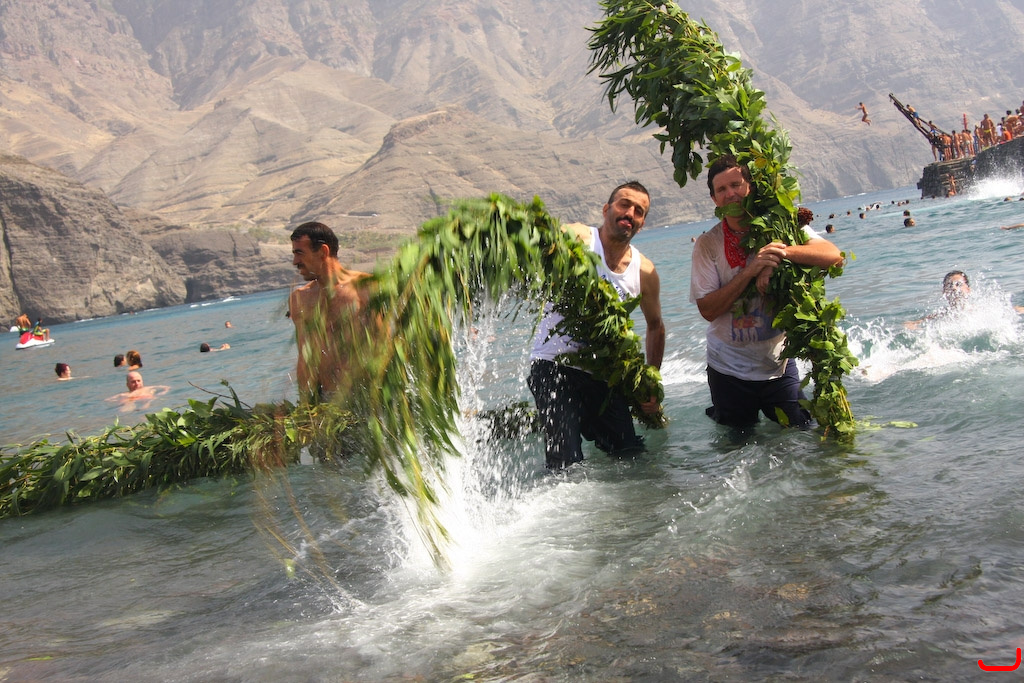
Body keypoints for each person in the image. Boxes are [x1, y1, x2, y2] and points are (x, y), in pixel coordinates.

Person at [690, 154, 843, 429]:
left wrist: (779, 254)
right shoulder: (708, 244)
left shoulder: (780, 226)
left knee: (802, 432)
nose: (730, 194)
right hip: (727, 369)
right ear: (714, 199)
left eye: (735, 184)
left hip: (778, 364)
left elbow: (834, 256)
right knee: (737, 444)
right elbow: (708, 310)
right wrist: (751, 271)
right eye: (721, 189)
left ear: (749, 186)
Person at [528, 181, 665, 469]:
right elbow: (539, 237)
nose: (630, 213)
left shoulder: (644, 270)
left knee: (630, 455)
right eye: (624, 204)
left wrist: (649, 384)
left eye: (639, 211)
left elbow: (655, 326)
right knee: (565, 463)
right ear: (606, 209)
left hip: (604, 374)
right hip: (554, 365)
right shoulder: (579, 237)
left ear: (642, 224)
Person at [288, 221, 372, 401]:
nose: (295, 262)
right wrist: (306, 406)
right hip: (328, 400)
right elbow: (305, 357)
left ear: (323, 251)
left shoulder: (365, 287)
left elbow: (390, 341)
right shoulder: (299, 299)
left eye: (299, 253)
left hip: (371, 394)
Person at [105, 371, 170, 412]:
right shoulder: (126, 394)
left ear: (142, 381)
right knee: (124, 407)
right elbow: (108, 400)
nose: (137, 383)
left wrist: (159, 394)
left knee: (149, 400)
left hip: (147, 403)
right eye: (133, 382)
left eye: (138, 381)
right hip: (131, 402)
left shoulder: (148, 389)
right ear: (127, 385)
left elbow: (166, 388)